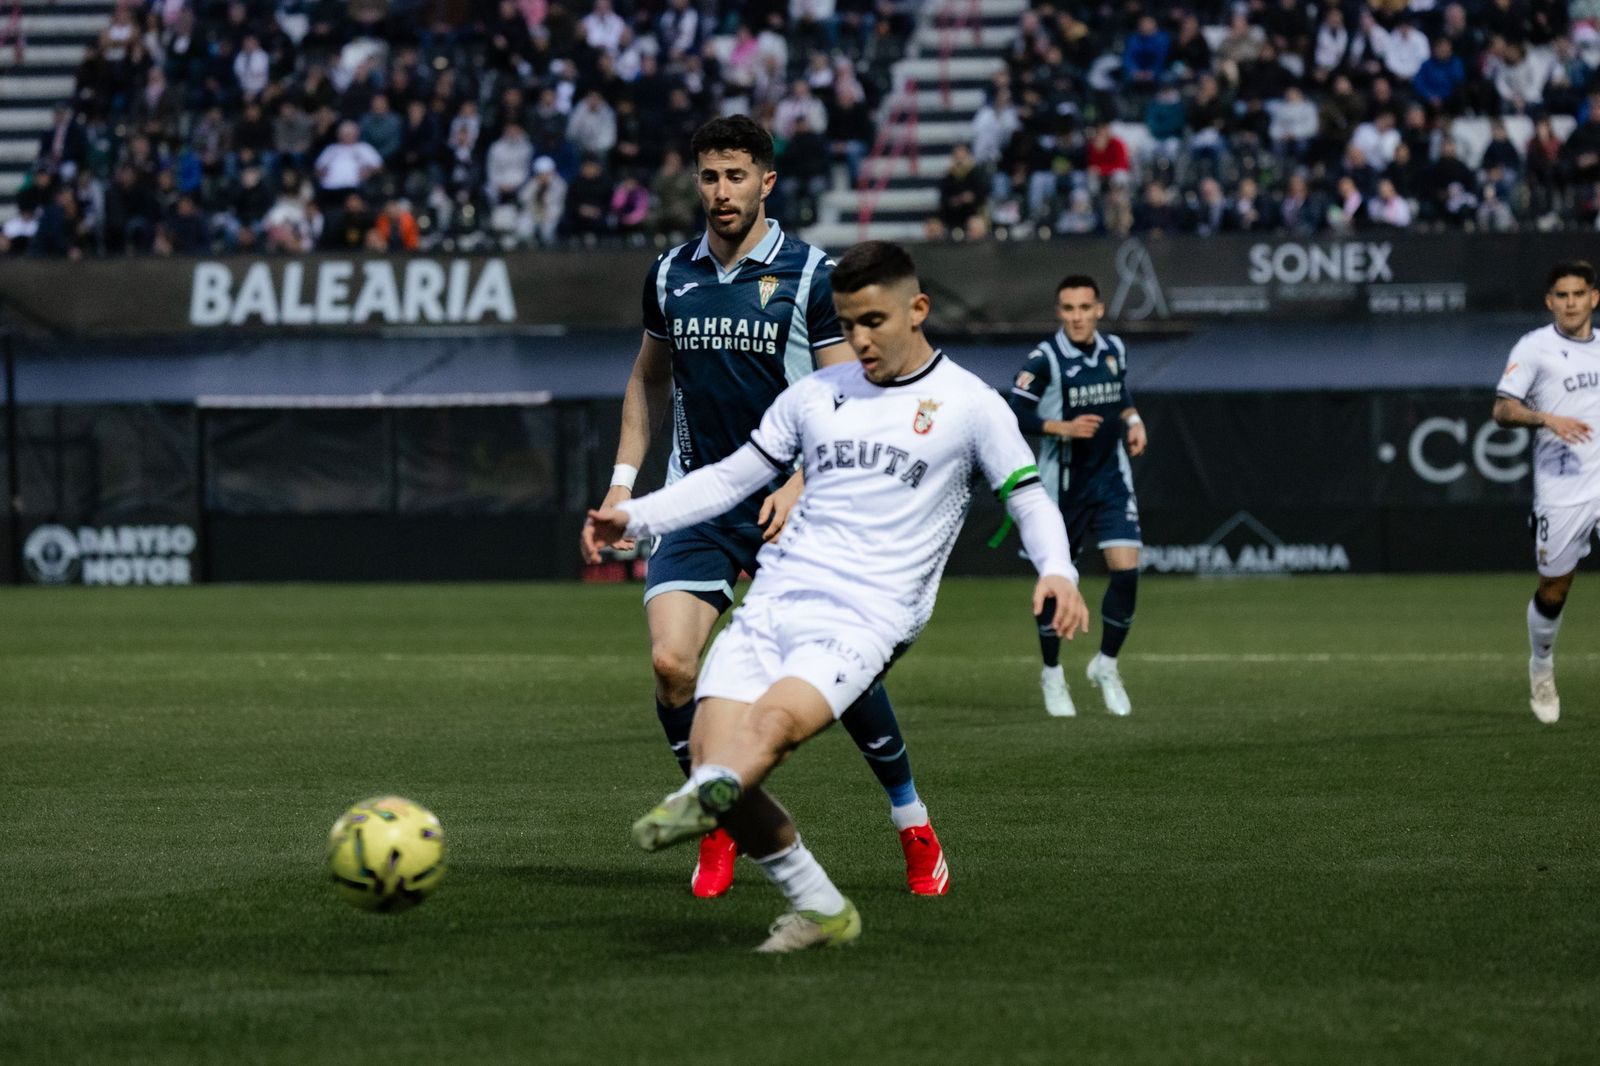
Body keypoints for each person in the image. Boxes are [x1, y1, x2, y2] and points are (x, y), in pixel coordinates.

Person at [590, 241, 1090, 952]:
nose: (859, 339)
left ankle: (702, 802)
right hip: (777, 596)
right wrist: (634, 515)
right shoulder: (816, 395)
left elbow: (1029, 497)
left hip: (870, 612)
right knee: (714, 757)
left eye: (874, 321)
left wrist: (1058, 571)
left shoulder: (971, 405)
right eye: (850, 324)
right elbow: (731, 478)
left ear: (918, 310)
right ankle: (819, 906)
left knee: (771, 731)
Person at [579, 117, 951, 901]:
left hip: (799, 506)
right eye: (710, 177)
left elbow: (850, 401)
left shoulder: (812, 276)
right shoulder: (670, 274)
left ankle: (912, 822)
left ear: (766, 183)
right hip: (698, 500)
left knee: (838, 675)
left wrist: (801, 481)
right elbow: (648, 380)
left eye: (736, 176)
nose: (722, 192)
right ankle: (724, 822)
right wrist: (623, 483)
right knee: (673, 665)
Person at [1006, 275, 1147, 718]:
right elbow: (1014, 410)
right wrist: (1060, 427)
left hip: (1110, 479)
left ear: (1099, 310)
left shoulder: (1114, 349)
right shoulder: (1045, 359)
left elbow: (1119, 392)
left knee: (1126, 572)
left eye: (1084, 308)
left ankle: (1105, 665)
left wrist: (1134, 419)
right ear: (1059, 313)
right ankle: (1052, 673)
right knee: (1055, 584)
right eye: (1068, 309)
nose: (1077, 317)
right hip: (1059, 489)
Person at [1492, 260, 1600, 725]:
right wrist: (1547, 418)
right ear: (1550, 301)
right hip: (1562, 487)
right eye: (1563, 295)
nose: (1571, 302)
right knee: (1555, 588)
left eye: (1579, 294)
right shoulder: (1534, 348)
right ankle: (1541, 665)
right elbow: (1501, 410)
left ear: (1594, 298)